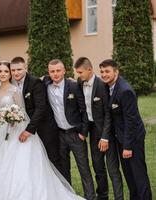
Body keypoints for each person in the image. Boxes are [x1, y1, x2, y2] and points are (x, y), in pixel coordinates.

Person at [0, 61, 85, 200]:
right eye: (0, 71)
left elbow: (22, 111)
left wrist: (14, 119)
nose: (3, 74)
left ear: (10, 74)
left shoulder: (14, 90)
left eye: (6, 71)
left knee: (19, 163)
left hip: (16, 129)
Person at [99, 59, 152, 200]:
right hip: (121, 137)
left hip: (132, 139)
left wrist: (127, 147)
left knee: (138, 174)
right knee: (129, 174)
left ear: (116, 72)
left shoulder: (125, 91)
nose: (104, 74)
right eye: (102, 71)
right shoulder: (108, 87)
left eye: (107, 71)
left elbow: (131, 122)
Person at [43, 59, 96, 200]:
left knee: (83, 168)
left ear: (64, 70)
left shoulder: (73, 86)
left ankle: (90, 196)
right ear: (48, 73)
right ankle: (68, 195)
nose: (55, 74)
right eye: (52, 71)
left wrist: (83, 133)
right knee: (64, 168)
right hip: (59, 134)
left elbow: (84, 110)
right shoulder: (46, 85)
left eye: (58, 70)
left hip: (75, 134)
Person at [75, 57, 123, 200]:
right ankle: (103, 196)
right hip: (92, 131)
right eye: (77, 73)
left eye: (80, 72)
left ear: (90, 70)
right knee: (98, 166)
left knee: (112, 169)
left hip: (106, 132)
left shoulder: (102, 85)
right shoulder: (79, 82)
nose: (79, 75)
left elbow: (109, 113)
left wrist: (105, 137)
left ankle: (119, 197)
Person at [10, 56, 60, 170]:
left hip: (44, 128)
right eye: (13, 70)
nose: (16, 73)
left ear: (25, 68)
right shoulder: (12, 84)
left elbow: (40, 109)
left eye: (19, 69)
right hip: (25, 126)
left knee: (52, 160)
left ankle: (61, 186)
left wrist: (29, 130)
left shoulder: (35, 82)